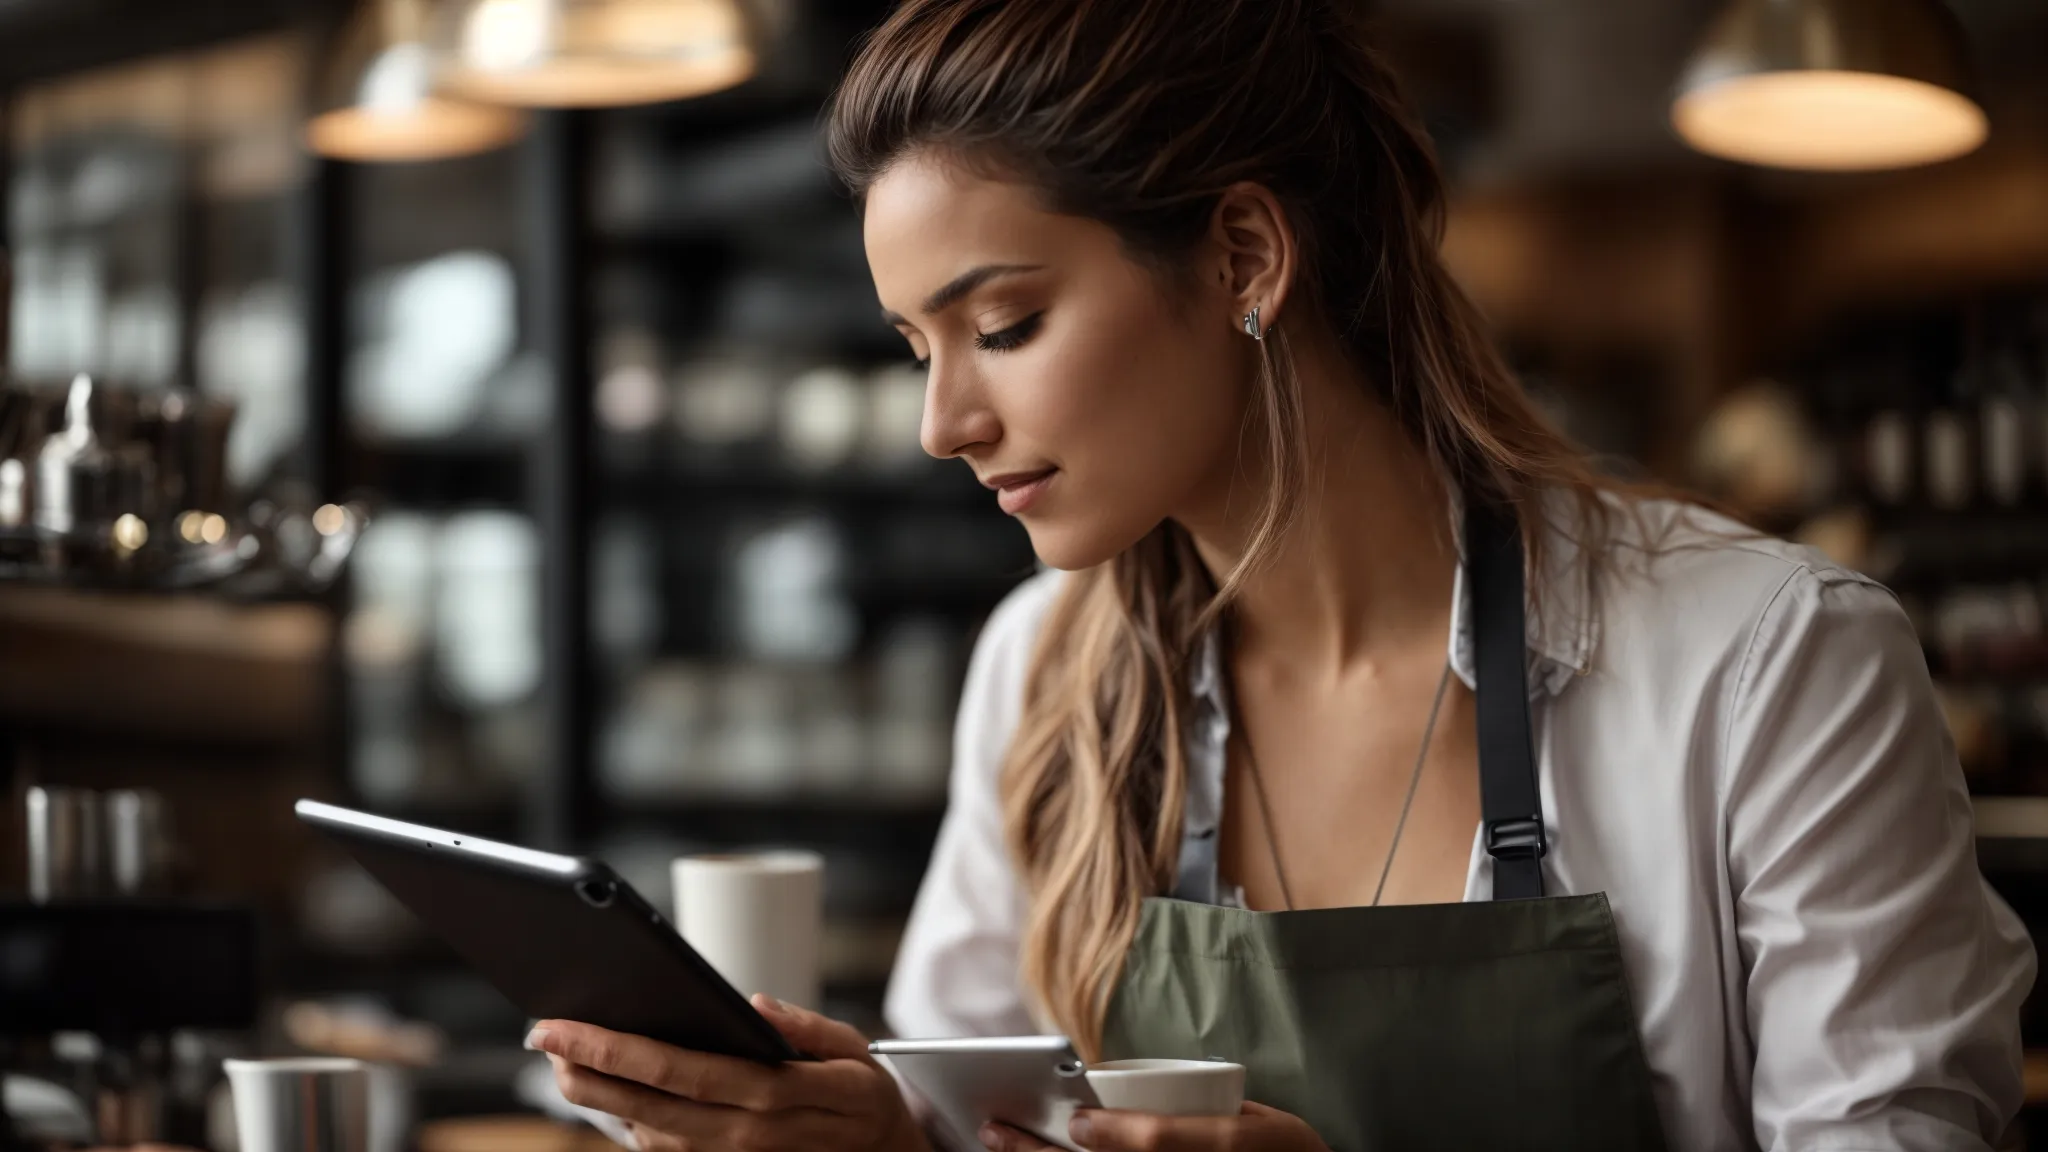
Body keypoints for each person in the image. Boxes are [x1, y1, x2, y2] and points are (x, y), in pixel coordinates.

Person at [526, 1, 2036, 1149]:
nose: (944, 423)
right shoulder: (1043, 670)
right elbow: (979, 1098)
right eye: (917, 350)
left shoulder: (1768, 661)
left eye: (1005, 323)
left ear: (1245, 254)